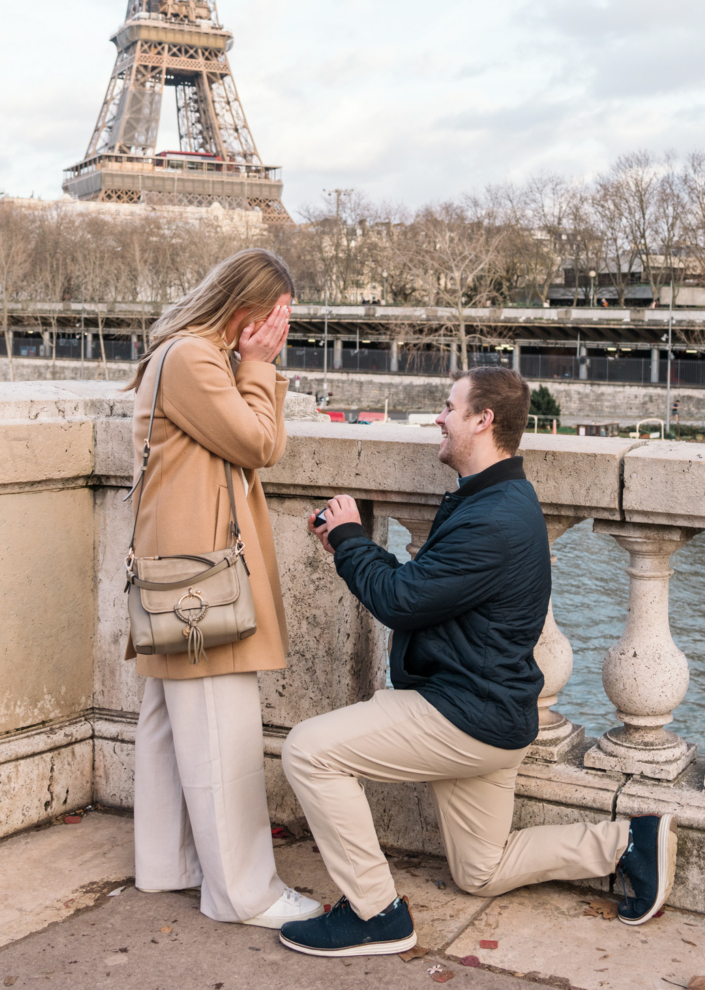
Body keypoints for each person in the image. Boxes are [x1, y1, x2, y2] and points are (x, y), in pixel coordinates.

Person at [277, 365, 675, 959]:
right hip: (492, 713)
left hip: (462, 715)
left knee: (309, 750)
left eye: (448, 406)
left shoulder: (493, 519)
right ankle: (627, 842)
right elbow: (420, 586)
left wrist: (350, 540)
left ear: (482, 419)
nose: (438, 417)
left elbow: (401, 600)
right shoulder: (495, 497)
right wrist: (356, 542)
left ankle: (374, 913)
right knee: (481, 871)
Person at [125, 247, 322, 932]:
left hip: (180, 567)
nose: (281, 332)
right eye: (278, 318)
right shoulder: (195, 359)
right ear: (246, 309)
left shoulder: (184, 355)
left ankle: (168, 863)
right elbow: (258, 443)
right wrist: (260, 367)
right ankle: (244, 894)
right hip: (199, 579)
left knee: (170, 721)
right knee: (219, 730)